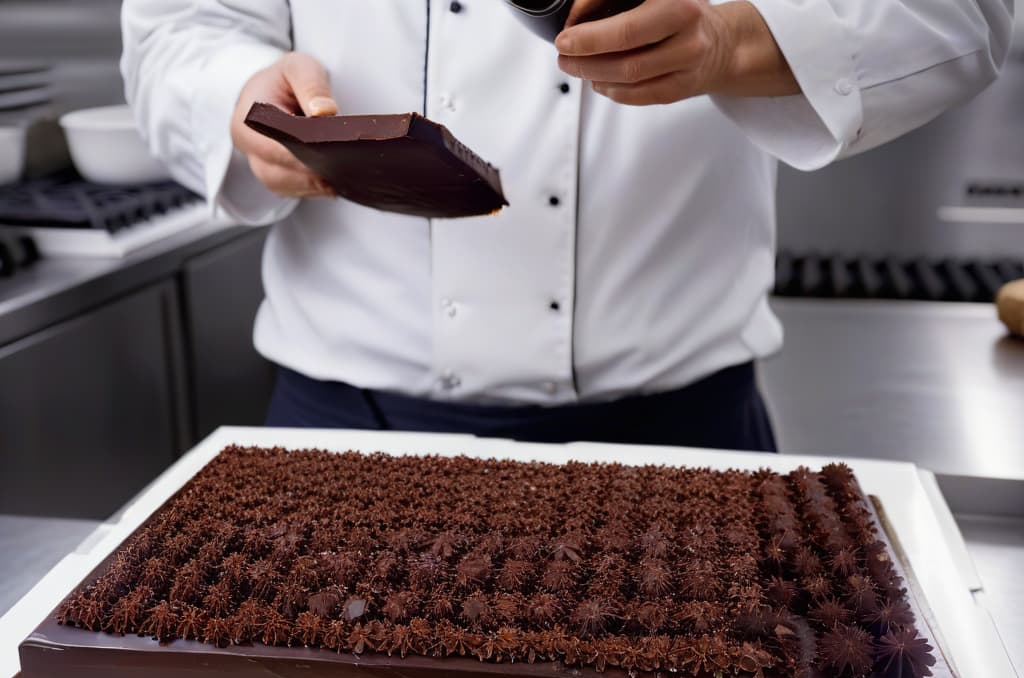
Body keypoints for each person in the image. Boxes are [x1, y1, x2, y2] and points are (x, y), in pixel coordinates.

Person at [122, 0, 1012, 450]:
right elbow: (180, 26)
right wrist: (240, 98)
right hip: (341, 430)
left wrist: (732, 37)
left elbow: (961, 12)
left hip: (682, 441)